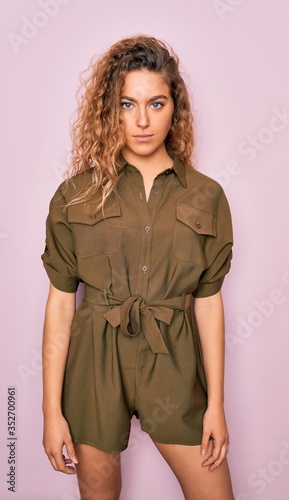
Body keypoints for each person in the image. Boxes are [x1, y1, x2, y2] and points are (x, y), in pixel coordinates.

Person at [41, 34, 234, 500]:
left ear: (176, 108)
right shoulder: (76, 196)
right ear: (111, 111)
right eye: (128, 104)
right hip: (94, 367)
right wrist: (51, 412)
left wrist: (215, 405)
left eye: (157, 103)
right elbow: (61, 307)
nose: (143, 121)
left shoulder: (206, 196)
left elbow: (208, 305)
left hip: (173, 360)